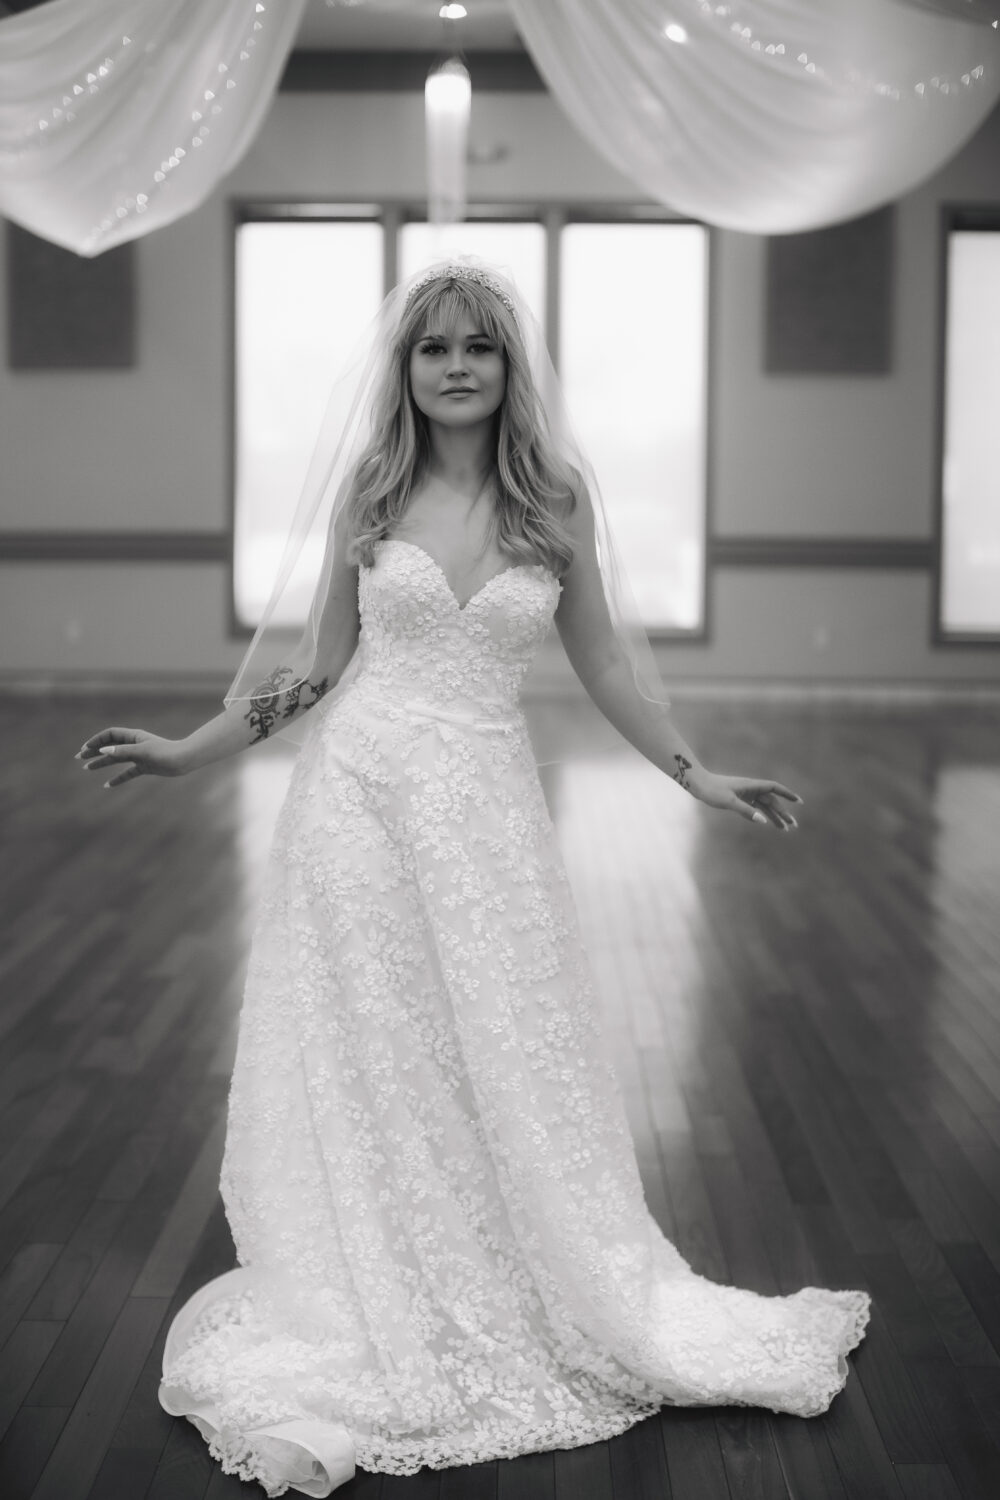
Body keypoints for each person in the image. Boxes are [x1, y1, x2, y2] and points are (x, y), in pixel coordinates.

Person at [76, 261, 869, 1498]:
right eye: (433, 347)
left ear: (509, 367)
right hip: (355, 806)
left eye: (478, 347)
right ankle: (381, 1280)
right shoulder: (372, 490)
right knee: (376, 1056)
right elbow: (314, 669)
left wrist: (694, 773)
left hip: (486, 817)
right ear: (405, 368)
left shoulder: (553, 497)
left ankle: (510, 1276)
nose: (455, 366)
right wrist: (189, 750)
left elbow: (605, 665)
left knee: (497, 1047)